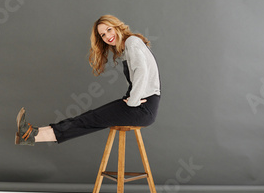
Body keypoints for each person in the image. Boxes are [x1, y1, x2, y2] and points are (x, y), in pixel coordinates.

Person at [15, 14, 161, 145]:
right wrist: (131, 98)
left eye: (109, 30)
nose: (107, 36)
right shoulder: (126, 48)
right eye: (103, 35)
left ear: (117, 26)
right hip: (138, 105)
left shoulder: (132, 42)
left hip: (142, 108)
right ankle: (31, 132)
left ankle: (31, 136)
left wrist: (133, 100)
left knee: (90, 119)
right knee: (89, 117)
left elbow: (142, 71)